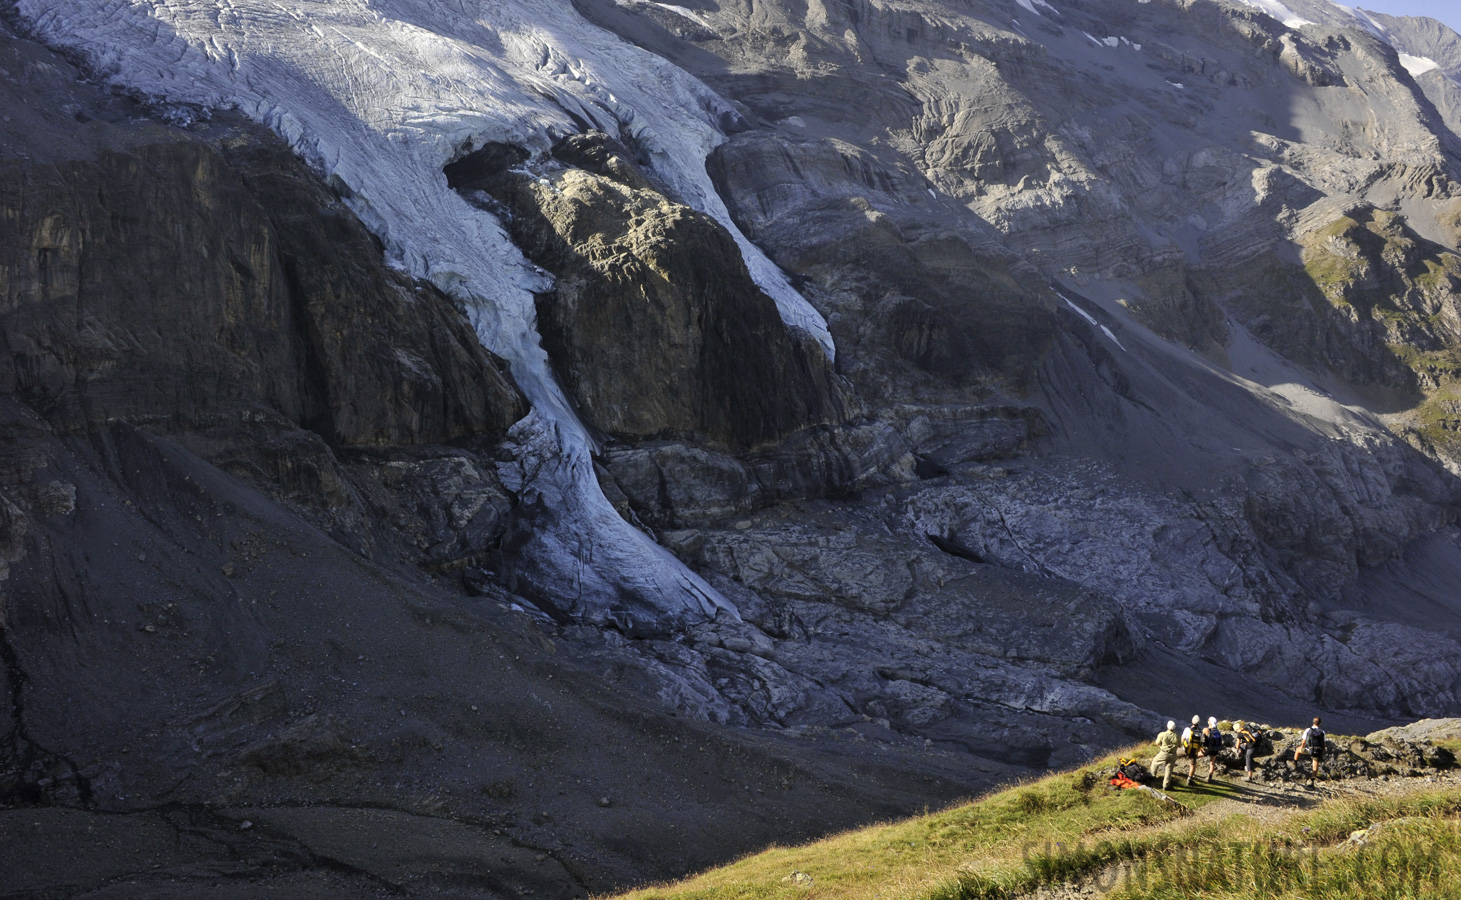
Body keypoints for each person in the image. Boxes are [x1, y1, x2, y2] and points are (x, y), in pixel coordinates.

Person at [1151, 720, 1181, 791]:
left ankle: (1152, 778)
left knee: (1154, 763)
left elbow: (1157, 743)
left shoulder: (1162, 734)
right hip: (1173, 754)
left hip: (1164, 752)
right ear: (1174, 727)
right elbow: (1179, 745)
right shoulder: (1178, 735)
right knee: (1169, 769)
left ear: (1167, 726)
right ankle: (1166, 786)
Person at [1295, 716, 1326, 784]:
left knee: (1297, 750)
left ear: (1313, 722)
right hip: (1318, 751)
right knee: (1315, 768)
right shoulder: (1322, 732)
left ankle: (1295, 763)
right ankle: (1311, 782)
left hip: (1309, 749)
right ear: (1319, 723)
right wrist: (1323, 751)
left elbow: (1304, 741)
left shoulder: (1308, 730)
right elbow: (1324, 743)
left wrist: (1302, 746)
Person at [1180, 715, 1205, 785]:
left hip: (1185, 749)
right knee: (1193, 765)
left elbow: (1182, 739)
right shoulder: (1201, 732)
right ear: (1199, 723)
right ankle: (1189, 779)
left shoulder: (1187, 729)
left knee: (1175, 754)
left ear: (1192, 721)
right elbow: (1202, 742)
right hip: (1194, 751)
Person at [1202, 716, 1223, 783]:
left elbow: (1202, 738)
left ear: (1210, 722)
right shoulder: (1217, 731)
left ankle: (1192, 772)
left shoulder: (1207, 730)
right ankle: (1210, 777)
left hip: (1208, 748)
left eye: (1208, 720)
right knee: (1212, 763)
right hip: (1216, 749)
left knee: (1195, 756)